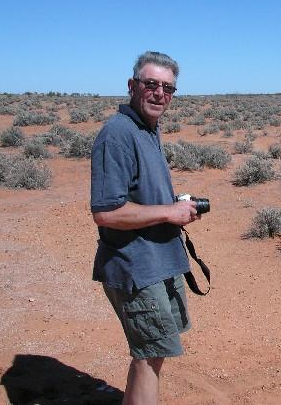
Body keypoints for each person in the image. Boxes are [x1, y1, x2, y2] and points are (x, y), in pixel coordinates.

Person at [91, 51, 200, 404]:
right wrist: (169, 212)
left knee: (152, 354)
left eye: (168, 88)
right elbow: (107, 213)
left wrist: (177, 209)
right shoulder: (117, 134)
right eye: (151, 84)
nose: (159, 93)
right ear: (132, 86)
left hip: (159, 262)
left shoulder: (147, 130)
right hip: (136, 267)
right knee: (149, 354)